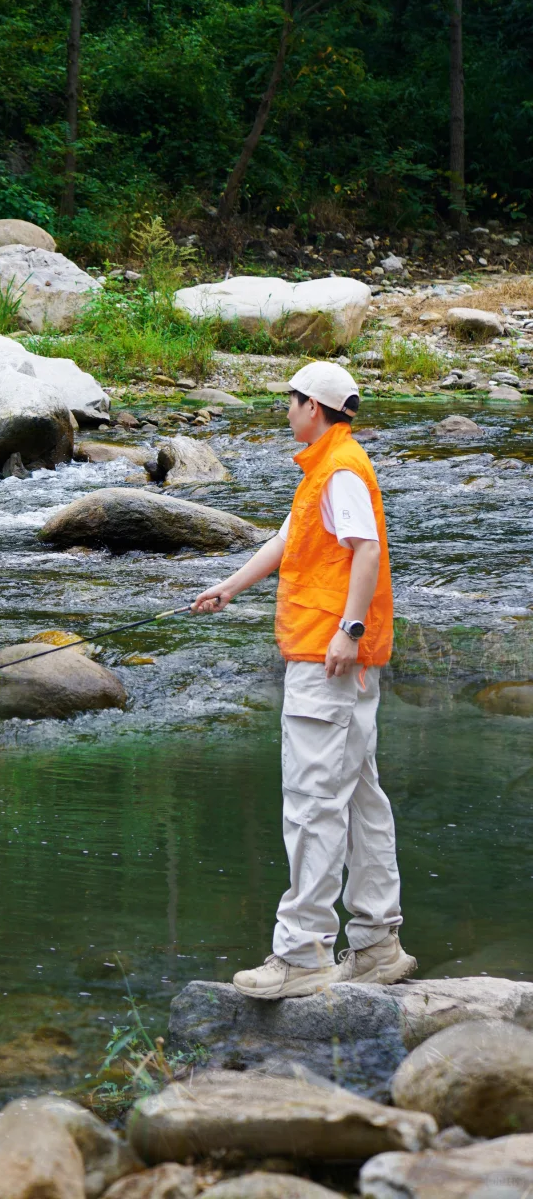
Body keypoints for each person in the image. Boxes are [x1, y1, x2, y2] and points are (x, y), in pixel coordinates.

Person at [192, 360, 416, 1000]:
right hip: (337, 658)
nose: (285, 412)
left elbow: (366, 548)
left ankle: (302, 954)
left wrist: (348, 630)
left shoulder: (340, 470)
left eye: (289, 402)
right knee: (360, 799)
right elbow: (290, 542)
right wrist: (230, 587)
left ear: (311, 407)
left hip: (328, 658)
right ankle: (376, 942)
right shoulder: (328, 466)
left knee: (313, 802)